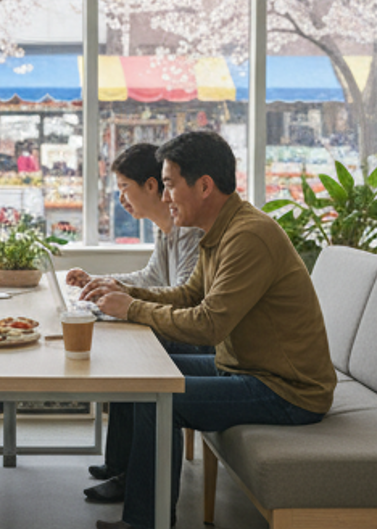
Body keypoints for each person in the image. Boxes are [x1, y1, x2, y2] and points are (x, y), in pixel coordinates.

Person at [83, 131, 336, 529]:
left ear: (204, 186)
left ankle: (146, 522)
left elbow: (208, 324)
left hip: (286, 390)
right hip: (242, 368)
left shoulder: (249, 236)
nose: (164, 197)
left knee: (156, 395)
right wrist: (123, 291)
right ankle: (130, 483)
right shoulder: (219, 231)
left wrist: (131, 307)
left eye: (168, 185)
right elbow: (189, 294)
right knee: (141, 376)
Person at [65, 143, 207, 504]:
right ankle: (120, 465)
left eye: (125, 187)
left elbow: (183, 297)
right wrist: (102, 282)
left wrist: (122, 298)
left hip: (198, 336)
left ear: (151, 186)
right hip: (182, 324)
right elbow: (153, 278)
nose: (121, 199)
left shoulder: (191, 233)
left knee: (130, 356)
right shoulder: (167, 229)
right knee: (124, 346)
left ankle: (130, 478)